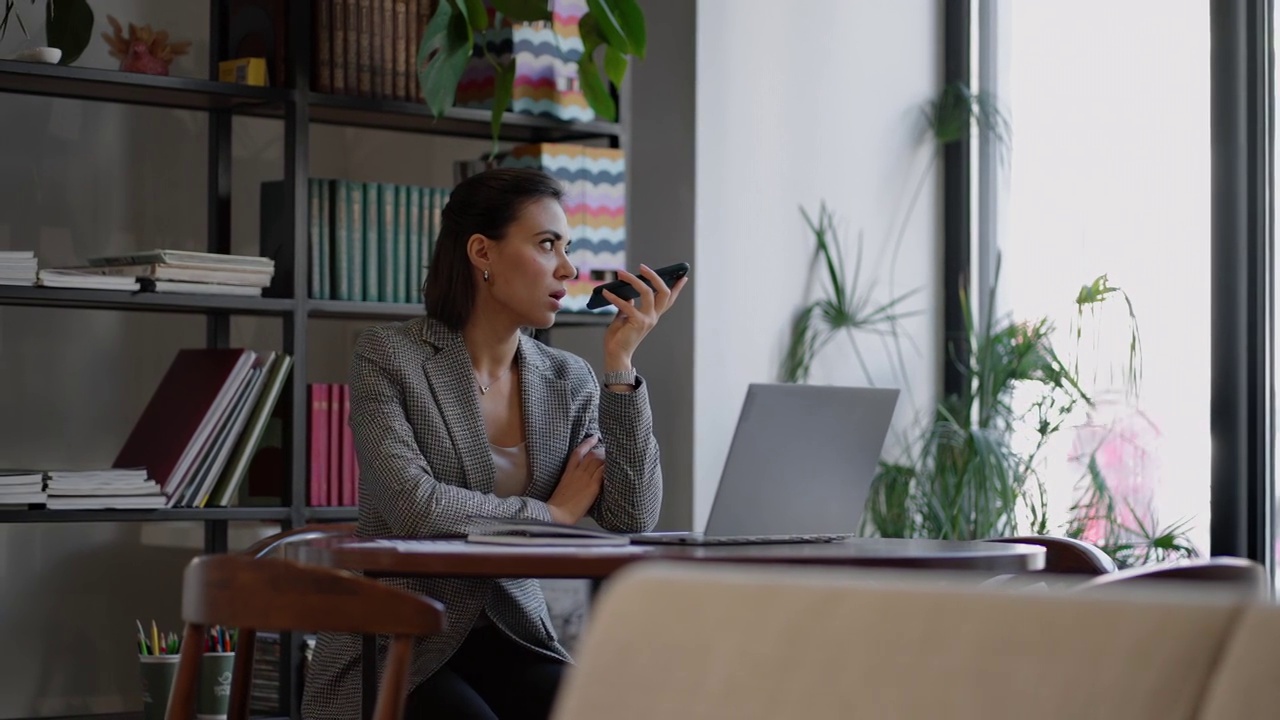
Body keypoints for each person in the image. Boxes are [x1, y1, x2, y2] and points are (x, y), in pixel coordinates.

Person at [300, 167, 686, 720]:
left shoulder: (567, 379)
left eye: (568, 248)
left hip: (512, 636)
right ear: (482, 252)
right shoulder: (388, 357)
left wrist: (621, 367)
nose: (569, 269)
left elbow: (633, 513)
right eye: (547, 244)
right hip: (402, 644)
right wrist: (550, 515)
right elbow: (416, 507)